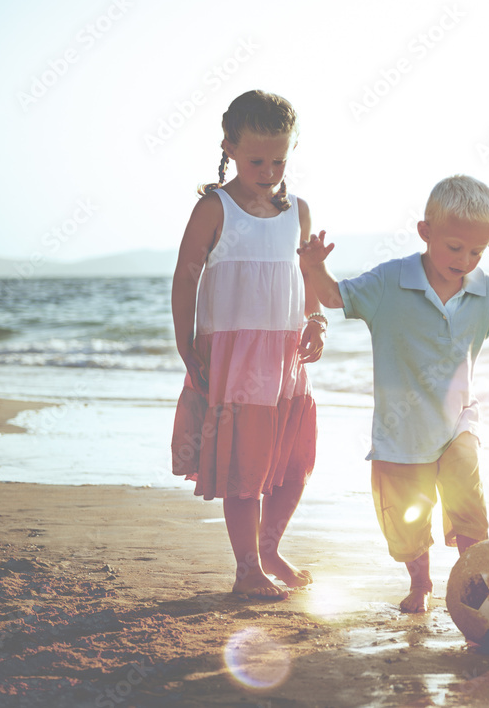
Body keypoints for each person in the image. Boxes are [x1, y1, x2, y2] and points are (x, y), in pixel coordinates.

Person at [299, 175, 489, 613]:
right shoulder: (390, 281)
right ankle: (421, 582)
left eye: (476, 251)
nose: (465, 259)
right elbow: (334, 298)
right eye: (454, 247)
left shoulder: (485, 292)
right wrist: (314, 267)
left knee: (470, 508)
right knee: (406, 522)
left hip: (457, 425)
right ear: (425, 232)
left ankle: (475, 584)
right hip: (400, 432)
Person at [171, 90, 327, 600]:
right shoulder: (214, 207)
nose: (268, 169)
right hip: (235, 360)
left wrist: (316, 321)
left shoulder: (297, 211)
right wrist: (186, 342)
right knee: (246, 469)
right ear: (230, 148)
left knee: (293, 463)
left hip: (285, 358)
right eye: (257, 159)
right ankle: (247, 570)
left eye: (279, 159)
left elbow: (305, 278)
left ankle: (270, 547)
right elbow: (186, 276)